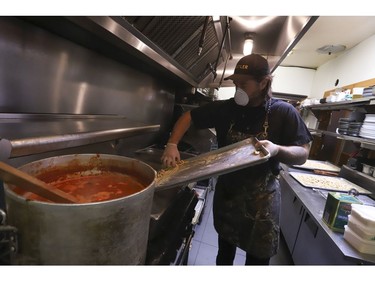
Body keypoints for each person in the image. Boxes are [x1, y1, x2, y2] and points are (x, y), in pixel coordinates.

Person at [161, 54, 313, 265]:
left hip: (262, 201)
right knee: (224, 254)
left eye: (243, 83)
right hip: (229, 195)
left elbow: (303, 154)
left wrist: (277, 149)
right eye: (235, 83)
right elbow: (188, 117)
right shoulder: (225, 108)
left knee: (257, 261)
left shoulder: (283, 112)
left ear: (263, 82)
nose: (237, 89)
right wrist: (172, 144)